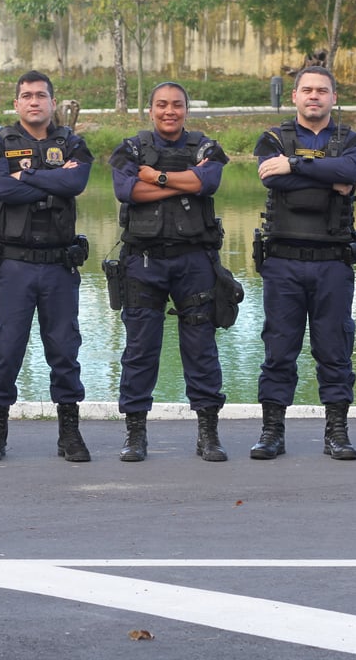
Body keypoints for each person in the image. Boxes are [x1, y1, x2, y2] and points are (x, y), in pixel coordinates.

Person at [250, 66, 356, 460]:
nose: (314, 96)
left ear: (334, 97)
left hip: (332, 262)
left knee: (335, 350)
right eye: (307, 90)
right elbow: (272, 179)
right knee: (279, 350)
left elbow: (350, 170)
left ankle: (337, 433)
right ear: (295, 97)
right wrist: (325, 176)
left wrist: (296, 165)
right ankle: (272, 433)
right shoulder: (272, 139)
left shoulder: (353, 140)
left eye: (322, 91)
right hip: (282, 262)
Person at [108, 81, 231, 462]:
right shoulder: (130, 147)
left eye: (177, 105)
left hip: (194, 261)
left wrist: (157, 177)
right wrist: (182, 186)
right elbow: (127, 191)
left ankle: (208, 434)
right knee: (140, 349)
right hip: (143, 261)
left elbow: (207, 181)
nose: (169, 111)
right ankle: (135, 434)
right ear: (151, 109)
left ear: (186, 110)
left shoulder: (205, 146)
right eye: (162, 105)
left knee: (201, 349)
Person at [0, 71, 94, 462]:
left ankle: (70, 434)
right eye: (26, 96)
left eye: (41, 95)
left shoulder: (71, 143)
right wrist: (52, 179)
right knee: (6, 349)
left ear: (52, 102)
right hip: (15, 265)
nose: (33, 102)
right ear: (16, 104)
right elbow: (0, 189)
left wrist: (26, 175)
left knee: (64, 349)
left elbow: (75, 185)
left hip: (59, 265)